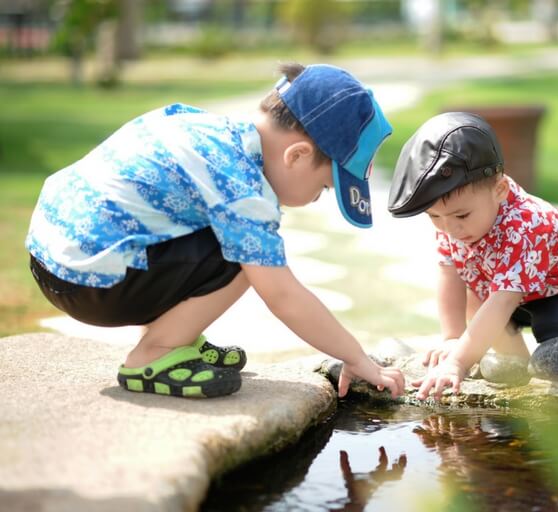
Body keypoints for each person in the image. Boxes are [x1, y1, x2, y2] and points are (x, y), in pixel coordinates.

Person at [26, 62, 405, 399]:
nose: (314, 199)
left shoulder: (208, 129)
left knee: (228, 237)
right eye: (324, 188)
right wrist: (356, 357)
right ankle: (154, 354)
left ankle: (177, 338)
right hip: (90, 282)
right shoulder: (241, 187)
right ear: (298, 155)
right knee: (249, 258)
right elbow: (283, 296)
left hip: (54, 258)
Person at [387, 112, 558, 399]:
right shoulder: (454, 221)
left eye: (461, 215)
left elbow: (503, 301)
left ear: (499, 190)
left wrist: (457, 363)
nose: (450, 228)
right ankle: (518, 371)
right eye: (434, 217)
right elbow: (449, 273)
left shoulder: (526, 225)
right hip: (527, 291)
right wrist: (453, 337)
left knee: (555, 327)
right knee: (476, 297)